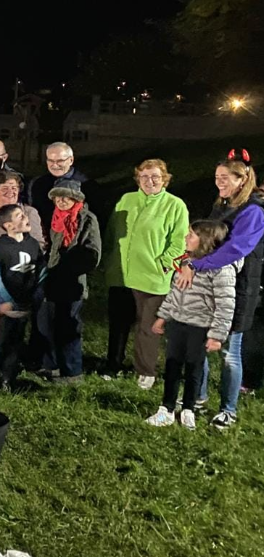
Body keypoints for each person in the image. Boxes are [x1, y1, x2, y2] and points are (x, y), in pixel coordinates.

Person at [178, 153, 264, 428]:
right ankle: (199, 397)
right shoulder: (221, 205)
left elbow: (236, 248)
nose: (219, 183)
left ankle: (228, 409)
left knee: (230, 352)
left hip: (238, 289)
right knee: (201, 344)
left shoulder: (253, 211)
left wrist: (199, 265)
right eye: (217, 178)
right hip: (211, 286)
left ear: (242, 180)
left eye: (225, 179)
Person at [104, 159, 190, 387]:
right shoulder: (126, 199)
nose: (149, 181)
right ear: (137, 179)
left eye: (155, 177)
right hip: (121, 274)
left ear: (165, 179)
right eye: (144, 176)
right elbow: (113, 231)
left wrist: (164, 262)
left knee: (148, 327)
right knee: (119, 323)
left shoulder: (175, 205)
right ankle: (114, 364)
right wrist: (110, 259)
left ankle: (146, 369)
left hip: (151, 276)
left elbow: (179, 241)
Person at [147, 220, 236, 430]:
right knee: (172, 365)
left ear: (205, 240)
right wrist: (162, 317)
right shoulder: (186, 263)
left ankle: (188, 410)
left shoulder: (221, 270)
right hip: (178, 323)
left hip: (200, 327)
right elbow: (174, 293)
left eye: (191, 235)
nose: (186, 238)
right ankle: (166, 409)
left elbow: (226, 305)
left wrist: (216, 335)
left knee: (194, 368)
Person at [40, 179, 102, 384]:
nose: (62, 201)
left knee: (69, 326)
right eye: (58, 197)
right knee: (48, 324)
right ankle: (53, 366)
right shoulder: (52, 218)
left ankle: (73, 372)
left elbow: (93, 252)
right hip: (51, 279)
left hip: (72, 281)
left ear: (75, 198)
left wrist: (70, 266)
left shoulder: (87, 219)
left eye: (66, 197)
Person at [0, 204, 44, 390]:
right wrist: (2, 301)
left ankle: (9, 378)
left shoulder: (32, 244)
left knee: (16, 343)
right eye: (19, 216)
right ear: (9, 225)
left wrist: (37, 295)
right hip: (5, 308)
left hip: (24, 304)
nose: (25, 218)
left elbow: (41, 270)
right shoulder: (1, 248)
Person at [28, 142, 97, 233]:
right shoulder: (37, 184)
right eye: (51, 161)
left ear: (71, 160)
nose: (55, 165)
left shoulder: (87, 185)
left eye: (60, 161)